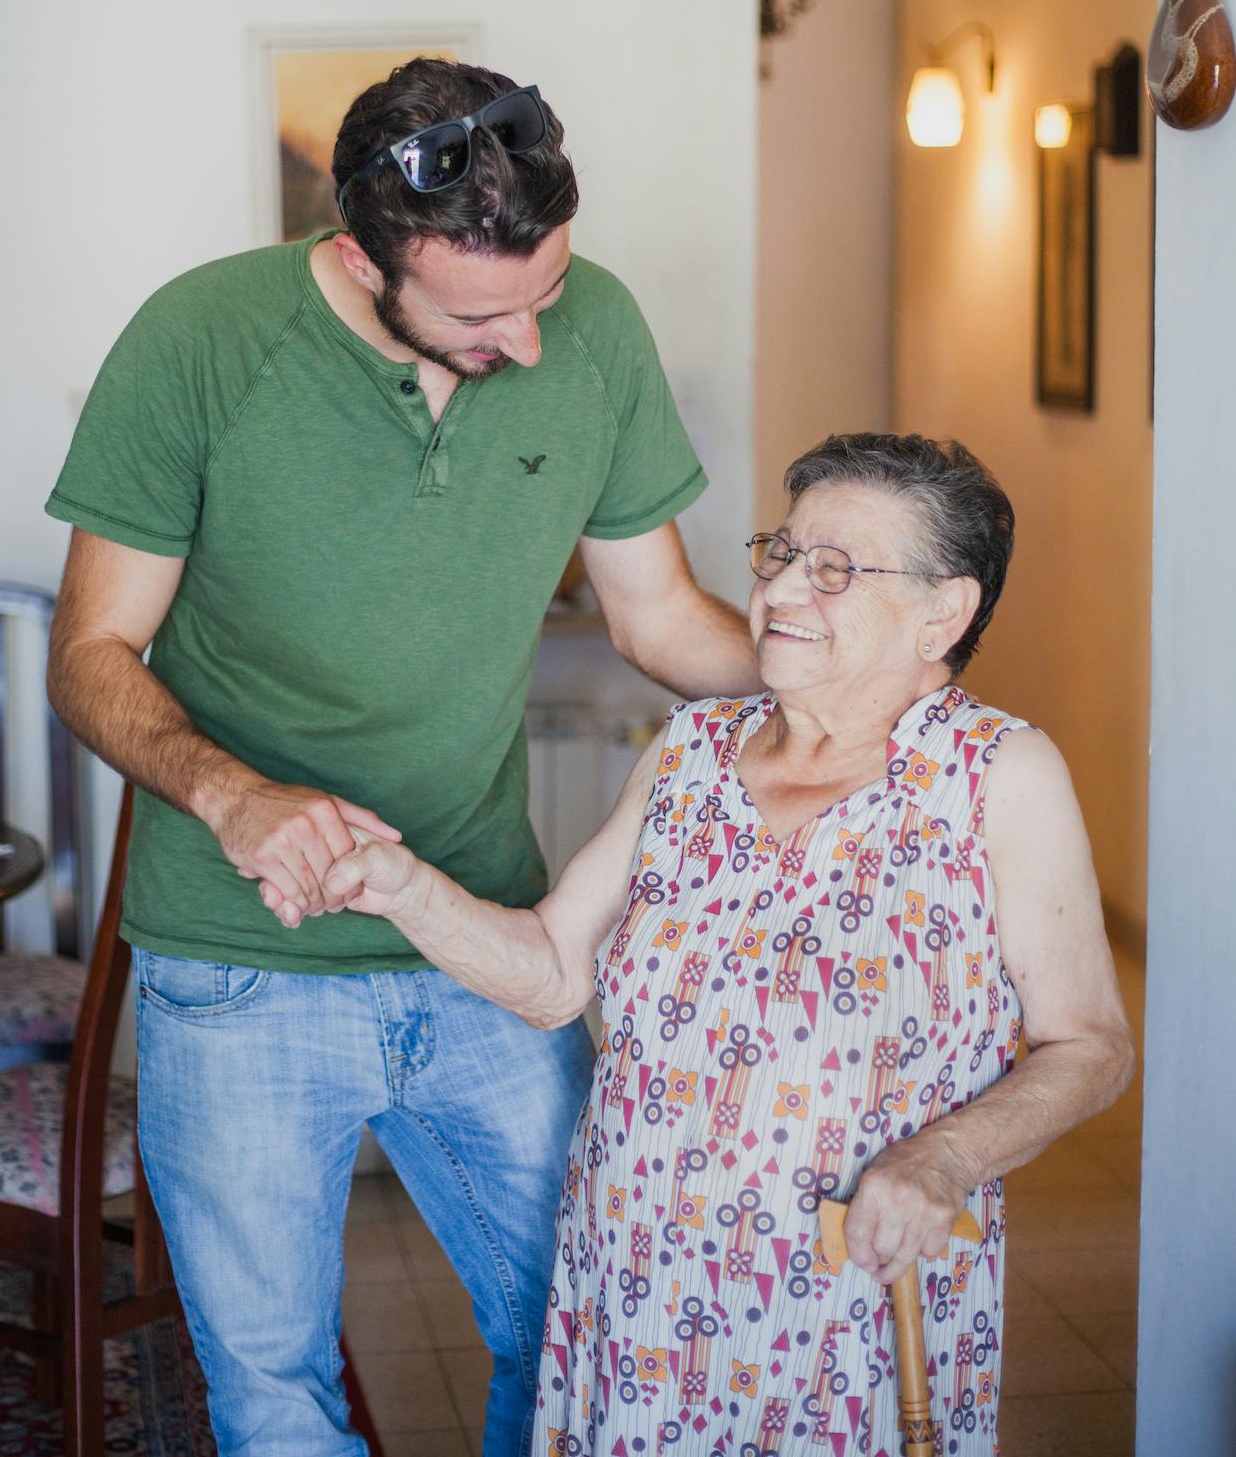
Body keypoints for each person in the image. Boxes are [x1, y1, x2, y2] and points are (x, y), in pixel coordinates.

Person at [44, 57, 761, 1457]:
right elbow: (89, 657)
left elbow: (660, 619)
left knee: (580, 1334)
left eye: (543, 294)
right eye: (483, 313)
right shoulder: (200, 339)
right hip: (239, 959)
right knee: (271, 1393)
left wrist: (859, 677)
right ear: (362, 256)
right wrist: (233, 795)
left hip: (485, 940)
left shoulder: (596, 327)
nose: (532, 344)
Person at [267, 432, 1135, 1456]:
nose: (778, 590)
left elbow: (1089, 1044)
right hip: (640, 1285)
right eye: (779, 552)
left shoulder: (993, 772)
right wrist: (399, 885)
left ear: (943, 610)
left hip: (846, 1288)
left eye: (835, 568)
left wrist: (942, 1158)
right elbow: (549, 974)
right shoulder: (693, 750)